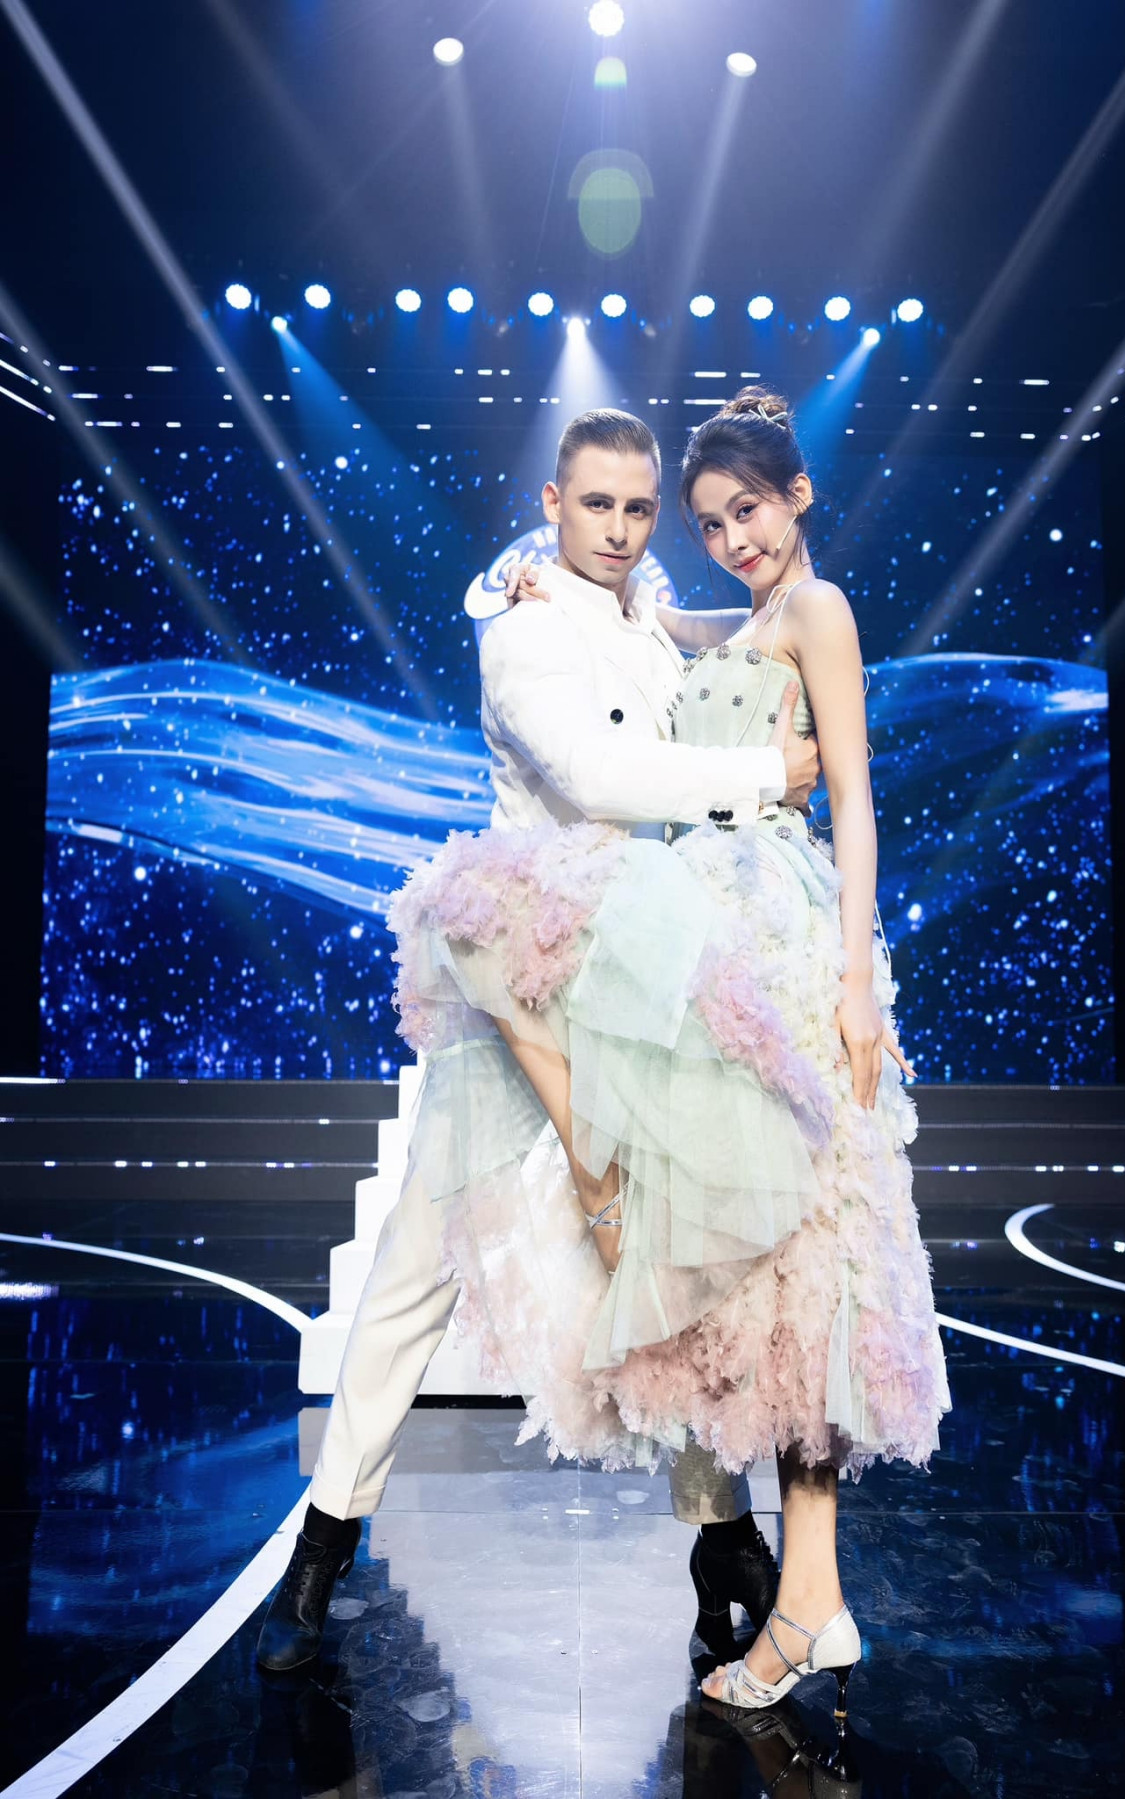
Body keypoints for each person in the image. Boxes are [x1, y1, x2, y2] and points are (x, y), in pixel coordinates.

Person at [389, 388, 950, 1718]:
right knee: (770, 1269)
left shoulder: (818, 610)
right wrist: (518, 575)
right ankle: (807, 1593)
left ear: (798, 496)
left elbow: (857, 800)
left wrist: (858, 986)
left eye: (747, 510)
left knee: (816, 1251)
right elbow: (648, 616)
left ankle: (809, 1600)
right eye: (707, 523)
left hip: (791, 945)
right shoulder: (736, 616)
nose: (731, 539)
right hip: (713, 935)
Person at [256, 407, 821, 1674]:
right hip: (534, 963)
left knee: (674, 1250)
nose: (620, 529)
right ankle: (327, 1536)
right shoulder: (520, 631)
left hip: (644, 961)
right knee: (422, 1252)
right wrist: (763, 776)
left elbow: (688, 636)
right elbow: (598, 775)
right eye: (597, 505)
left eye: (638, 507)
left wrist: (783, 602)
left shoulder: (641, 606)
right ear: (553, 503)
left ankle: (722, 1535)